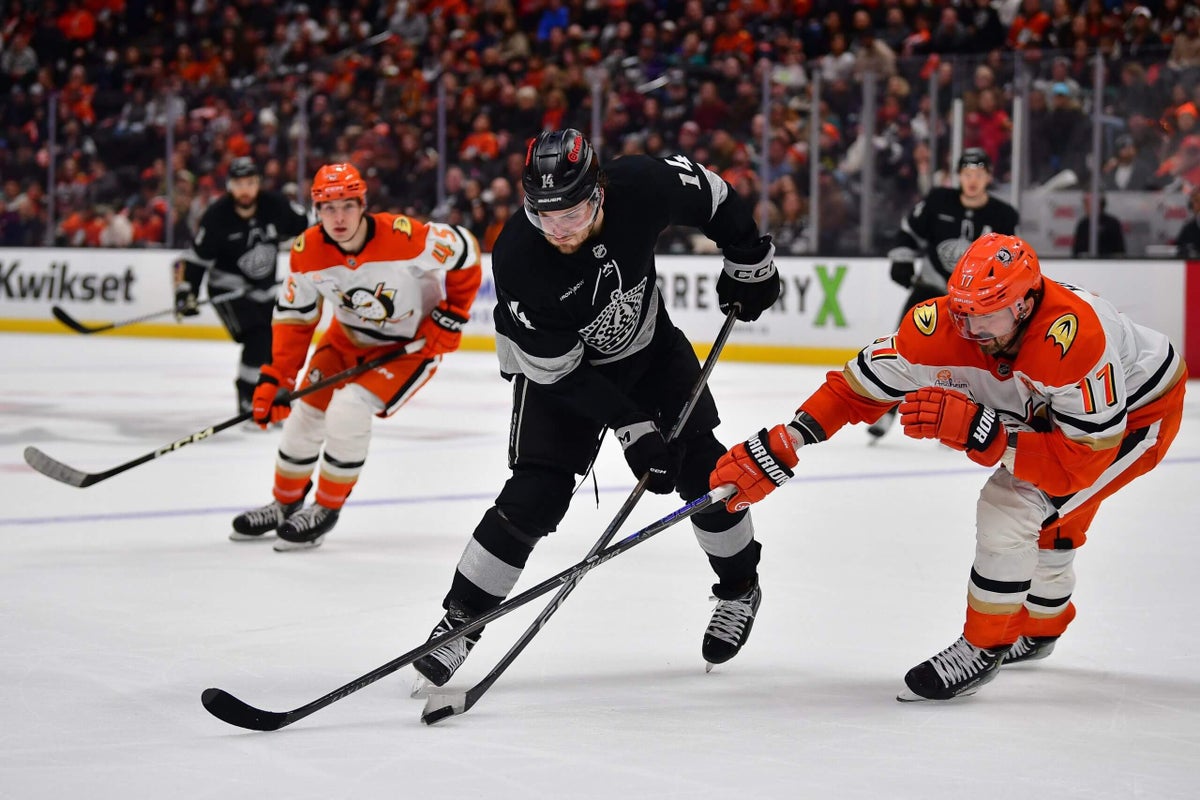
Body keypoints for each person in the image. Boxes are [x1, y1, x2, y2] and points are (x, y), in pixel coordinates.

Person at [711, 233, 1186, 701]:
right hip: (1062, 417)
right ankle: (1041, 627)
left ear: (1024, 306)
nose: (971, 332)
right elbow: (858, 385)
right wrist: (786, 441)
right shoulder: (940, 326)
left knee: (1014, 505)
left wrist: (993, 437)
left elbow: (1079, 464)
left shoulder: (1074, 340)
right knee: (1051, 520)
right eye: (962, 314)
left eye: (987, 318)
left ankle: (985, 646)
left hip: (1137, 418)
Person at [411, 129, 782, 687]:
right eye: (545, 216)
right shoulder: (519, 258)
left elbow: (713, 196)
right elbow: (561, 371)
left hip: (649, 349)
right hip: (560, 374)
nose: (560, 230)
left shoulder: (642, 184)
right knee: (534, 495)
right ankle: (460, 620)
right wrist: (634, 428)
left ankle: (739, 589)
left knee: (707, 472)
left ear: (600, 192)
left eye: (574, 212)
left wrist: (749, 258)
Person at [230, 163, 482, 551]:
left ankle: (326, 508)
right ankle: (284, 503)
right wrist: (277, 377)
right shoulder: (306, 252)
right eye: (328, 208)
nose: (339, 217)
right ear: (316, 211)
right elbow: (294, 320)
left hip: (407, 349)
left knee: (347, 408)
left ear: (363, 204)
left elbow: (465, 249)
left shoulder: (405, 237)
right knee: (306, 412)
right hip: (346, 340)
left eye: (347, 206)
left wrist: (453, 314)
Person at [873, 147, 1020, 440]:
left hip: (977, 302)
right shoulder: (938, 201)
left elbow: (1010, 259)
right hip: (930, 288)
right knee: (902, 347)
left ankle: (971, 420)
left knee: (979, 360)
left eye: (978, 174)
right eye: (967, 174)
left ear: (989, 176)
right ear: (959, 176)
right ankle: (886, 412)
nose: (972, 180)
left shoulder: (1003, 215)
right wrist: (902, 258)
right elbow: (909, 231)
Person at [174, 157, 311, 416]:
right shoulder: (216, 216)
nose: (245, 189)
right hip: (228, 290)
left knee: (278, 338)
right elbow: (197, 259)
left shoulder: (275, 205)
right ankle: (248, 395)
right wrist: (187, 291)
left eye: (250, 183)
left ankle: (272, 390)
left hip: (265, 288)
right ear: (229, 186)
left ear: (258, 183)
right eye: (239, 184)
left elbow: (309, 228)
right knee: (258, 337)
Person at [1175, 185, 1200, 257]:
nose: (1197, 205)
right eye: (1195, 201)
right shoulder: (1188, 228)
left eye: (1198, 201)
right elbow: (1179, 247)